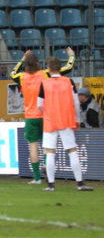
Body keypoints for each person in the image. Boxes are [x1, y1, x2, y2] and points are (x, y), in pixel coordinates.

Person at [11, 48, 75, 184]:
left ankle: (37, 178)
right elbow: (67, 68)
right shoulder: (45, 74)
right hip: (45, 115)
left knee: (33, 146)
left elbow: (12, 73)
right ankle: (47, 167)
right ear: (38, 63)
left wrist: (22, 59)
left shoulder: (22, 77)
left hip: (30, 116)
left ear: (26, 65)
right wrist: (72, 56)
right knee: (47, 146)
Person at [37, 57, 93, 191]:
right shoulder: (69, 81)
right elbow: (76, 102)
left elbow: (39, 104)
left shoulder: (44, 83)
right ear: (60, 68)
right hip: (66, 120)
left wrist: (47, 113)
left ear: (49, 68)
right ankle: (80, 183)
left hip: (50, 121)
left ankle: (51, 185)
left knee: (50, 152)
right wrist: (77, 120)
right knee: (72, 151)